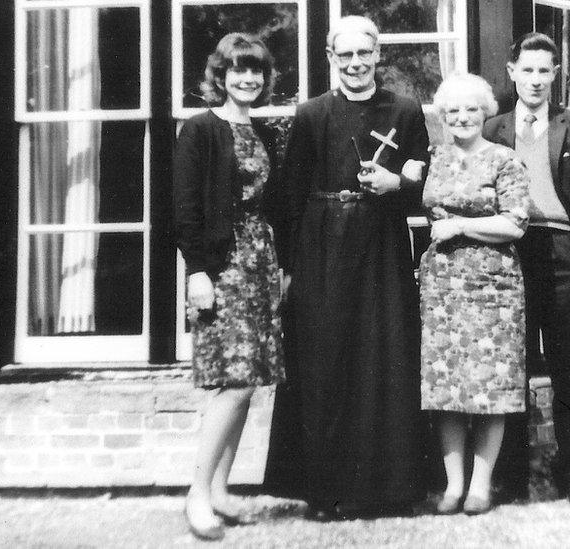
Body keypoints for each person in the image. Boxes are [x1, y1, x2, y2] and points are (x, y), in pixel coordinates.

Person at [264, 15, 431, 519]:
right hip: (323, 246)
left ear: (379, 54)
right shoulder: (312, 114)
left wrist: (396, 185)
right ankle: (326, 489)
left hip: (382, 248)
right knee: (326, 361)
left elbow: (426, 182)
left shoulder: (405, 110)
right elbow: (289, 195)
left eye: (365, 53)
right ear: (332, 59)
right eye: (346, 55)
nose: (356, 63)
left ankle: (387, 489)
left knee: (383, 358)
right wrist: (288, 265)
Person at [173, 33, 286, 541]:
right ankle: (197, 494)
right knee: (234, 380)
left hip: (261, 263)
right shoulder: (199, 130)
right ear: (220, 75)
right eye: (238, 70)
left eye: (256, 71)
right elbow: (184, 208)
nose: (248, 79)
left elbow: (274, 204)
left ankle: (220, 490)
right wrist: (197, 271)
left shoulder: (264, 130)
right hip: (223, 266)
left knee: (250, 380)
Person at [482, 32, 570, 504]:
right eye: (526, 70)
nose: (534, 80)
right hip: (510, 250)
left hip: (562, 250)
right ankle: (513, 472)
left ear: (556, 75)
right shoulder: (493, 129)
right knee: (514, 363)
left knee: (567, 364)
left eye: (543, 71)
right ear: (512, 73)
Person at [420, 73, 531, 516]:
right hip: (443, 285)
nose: (462, 117)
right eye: (452, 110)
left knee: (490, 382)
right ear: (443, 117)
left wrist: (462, 225)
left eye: (470, 108)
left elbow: (516, 222)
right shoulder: (436, 157)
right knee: (446, 384)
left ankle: (481, 487)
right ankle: (453, 486)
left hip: (494, 285)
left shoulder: (504, 160)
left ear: (484, 112)